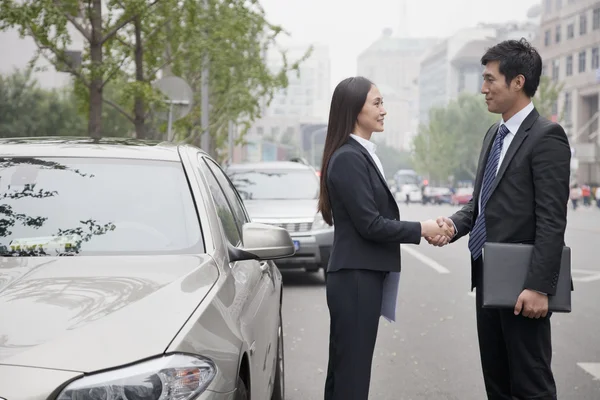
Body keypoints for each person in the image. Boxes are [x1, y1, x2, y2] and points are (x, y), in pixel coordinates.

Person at [427, 38, 571, 400]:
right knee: (498, 384)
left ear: (518, 82)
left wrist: (539, 286)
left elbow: (552, 220)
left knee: (531, 386)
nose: (483, 88)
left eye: (491, 79)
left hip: (525, 287)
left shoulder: (547, 137)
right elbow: (481, 204)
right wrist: (454, 225)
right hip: (489, 280)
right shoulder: (494, 134)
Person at [318, 76, 451, 400]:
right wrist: (423, 228)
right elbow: (371, 225)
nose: (384, 111)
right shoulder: (349, 157)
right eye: (376, 103)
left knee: (346, 373)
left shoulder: (358, 153)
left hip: (359, 277)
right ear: (354, 109)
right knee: (351, 377)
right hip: (356, 279)